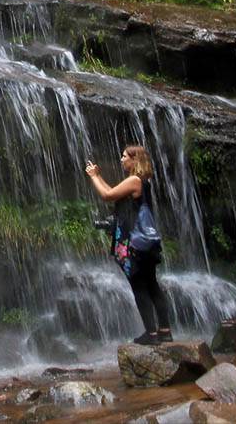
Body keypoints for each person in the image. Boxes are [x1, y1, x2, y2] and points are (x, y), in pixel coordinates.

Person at [85, 145, 173, 345]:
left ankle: (151, 334)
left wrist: (92, 177)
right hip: (144, 242)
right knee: (152, 285)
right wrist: (98, 176)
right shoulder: (142, 181)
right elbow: (112, 193)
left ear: (135, 160)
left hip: (134, 243)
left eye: (124, 156)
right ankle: (165, 331)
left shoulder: (134, 180)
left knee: (139, 286)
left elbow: (107, 196)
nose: (121, 159)